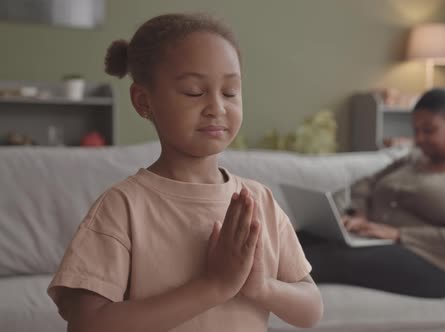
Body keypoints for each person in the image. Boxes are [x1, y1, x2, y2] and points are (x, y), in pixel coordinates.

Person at [47, 13, 323, 332]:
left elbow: (311, 309)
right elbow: (87, 324)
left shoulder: (259, 202)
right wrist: (215, 286)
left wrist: (261, 287)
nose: (217, 107)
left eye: (230, 92)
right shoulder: (123, 206)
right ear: (143, 100)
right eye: (194, 91)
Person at [298, 88, 445, 298]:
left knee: (329, 258)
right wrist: (359, 214)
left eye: (429, 130)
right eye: (415, 130)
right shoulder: (414, 159)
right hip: (378, 243)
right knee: (296, 239)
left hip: (439, 266)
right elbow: (366, 183)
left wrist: (399, 234)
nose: (419, 138)